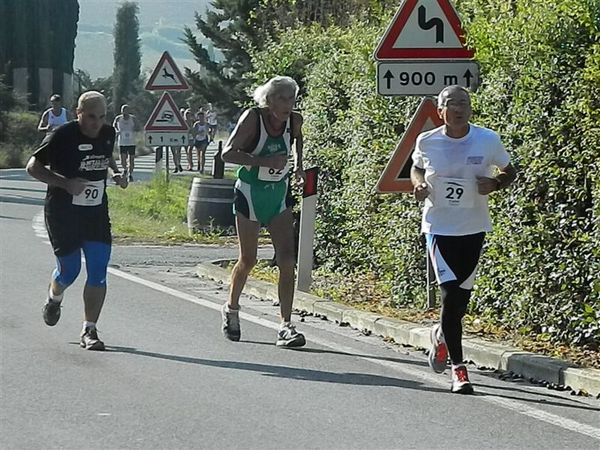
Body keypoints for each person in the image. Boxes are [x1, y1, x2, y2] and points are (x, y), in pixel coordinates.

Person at [410, 85, 517, 394]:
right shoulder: (427, 141)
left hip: (473, 227)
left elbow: (511, 171)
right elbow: (417, 168)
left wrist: (495, 183)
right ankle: (459, 370)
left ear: (470, 108)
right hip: (438, 227)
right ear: (440, 111)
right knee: (449, 295)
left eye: (464, 103)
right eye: (451, 104)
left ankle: (441, 336)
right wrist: (418, 186)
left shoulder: (487, 139)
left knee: (459, 304)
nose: (458, 109)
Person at [26, 90, 128, 351]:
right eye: (91, 117)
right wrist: (64, 183)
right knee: (69, 271)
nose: (96, 123)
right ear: (78, 113)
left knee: (98, 270)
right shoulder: (62, 136)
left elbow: (106, 155)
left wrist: (117, 173)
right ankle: (54, 297)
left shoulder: (107, 133)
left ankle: (89, 329)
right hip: (63, 213)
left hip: (95, 213)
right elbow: (32, 167)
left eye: (102, 117)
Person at [221, 75, 306, 347]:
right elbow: (228, 154)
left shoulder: (295, 120)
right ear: (268, 100)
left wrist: (300, 168)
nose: (287, 104)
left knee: (287, 260)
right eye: (281, 98)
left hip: (278, 195)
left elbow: (298, 142)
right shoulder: (252, 118)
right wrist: (263, 161)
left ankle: (285, 325)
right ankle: (231, 309)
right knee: (249, 260)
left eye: (291, 98)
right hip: (249, 193)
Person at [112, 104, 138, 181]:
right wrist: (117, 131)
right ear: (121, 111)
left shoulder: (133, 118)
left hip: (131, 142)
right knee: (123, 159)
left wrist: (135, 130)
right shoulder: (118, 118)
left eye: (126, 110)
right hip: (122, 142)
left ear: (129, 111)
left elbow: (138, 126)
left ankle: (130, 174)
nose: (125, 112)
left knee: (131, 159)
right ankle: (125, 169)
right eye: (123, 110)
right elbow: (114, 125)